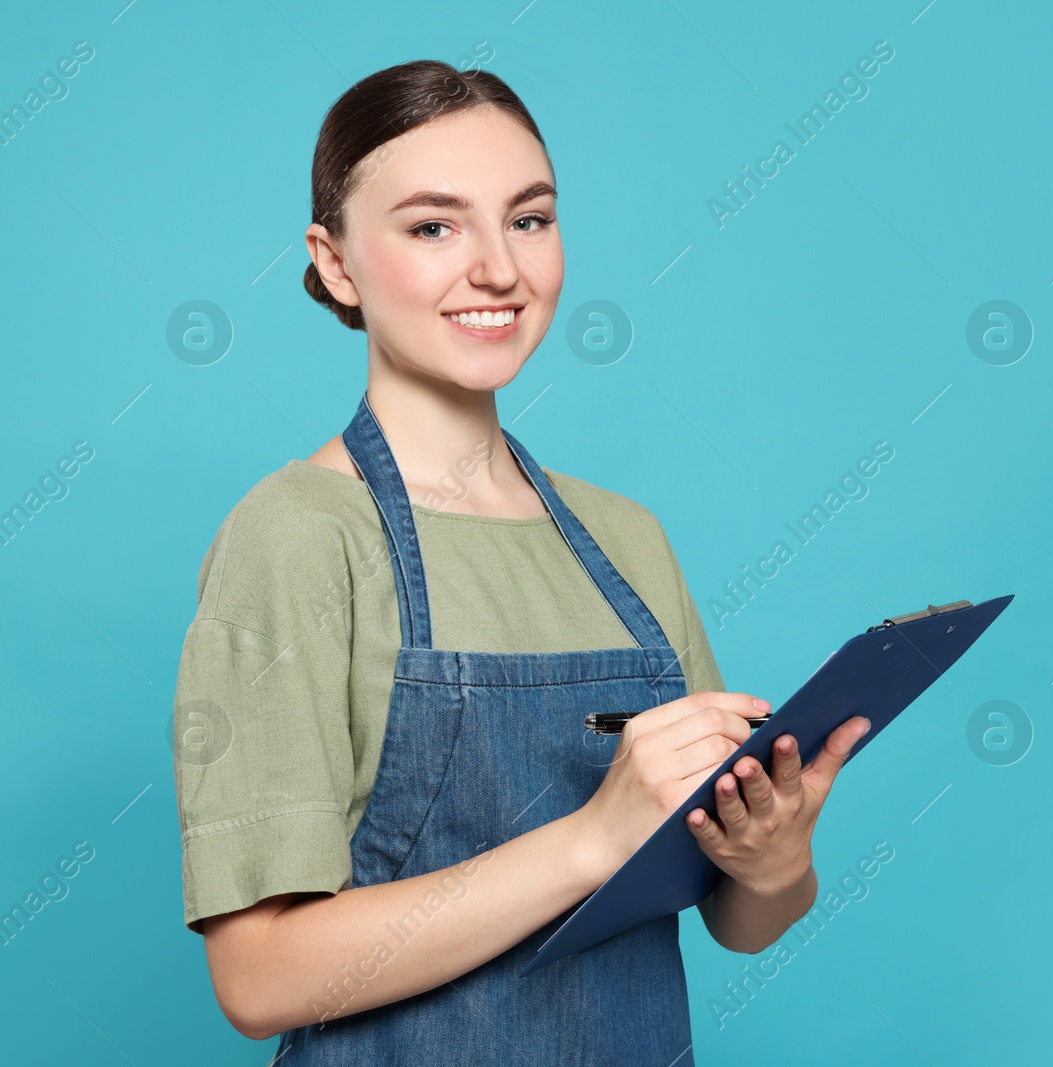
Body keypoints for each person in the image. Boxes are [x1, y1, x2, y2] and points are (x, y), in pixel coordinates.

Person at [170, 59, 870, 1065]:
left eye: (529, 219)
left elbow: (740, 920)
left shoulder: (625, 539)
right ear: (334, 264)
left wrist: (772, 857)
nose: (498, 268)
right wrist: (590, 838)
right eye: (431, 226)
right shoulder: (298, 534)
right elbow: (259, 976)